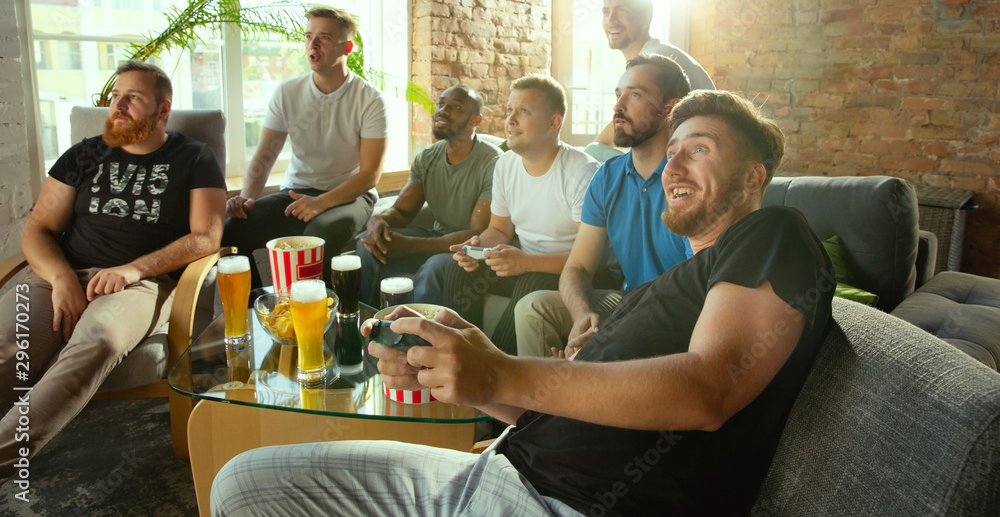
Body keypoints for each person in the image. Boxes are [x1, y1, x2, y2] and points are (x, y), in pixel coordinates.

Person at [211, 90, 835, 516]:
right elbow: (544, 409)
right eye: (673, 150)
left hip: (558, 502)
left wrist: (504, 369)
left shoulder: (773, 233)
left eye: (700, 147)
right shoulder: (666, 290)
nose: (674, 163)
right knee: (242, 481)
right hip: (508, 471)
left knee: (243, 489)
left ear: (756, 176)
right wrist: (472, 369)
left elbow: (708, 391)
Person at [0, 61, 226, 479]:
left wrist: (134, 270)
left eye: (133, 97)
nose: (117, 105)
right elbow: (37, 230)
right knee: (6, 346)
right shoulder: (85, 154)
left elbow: (206, 238)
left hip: (139, 285)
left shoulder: (194, 157)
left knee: (97, 341)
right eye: (115, 96)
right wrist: (62, 279)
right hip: (60, 275)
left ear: (163, 110)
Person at [514, 54, 693, 357]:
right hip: (626, 301)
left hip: (679, 314)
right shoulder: (606, 177)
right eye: (618, 94)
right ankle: (541, 401)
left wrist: (612, 336)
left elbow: (699, 287)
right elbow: (578, 266)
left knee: (597, 355)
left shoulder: (688, 179)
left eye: (634, 94)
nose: (618, 107)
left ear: (669, 109)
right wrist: (582, 314)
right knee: (533, 307)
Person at [416, 75, 599, 355]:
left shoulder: (581, 173)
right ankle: (459, 357)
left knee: (531, 281)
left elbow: (589, 260)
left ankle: (497, 368)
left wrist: (527, 263)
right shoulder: (504, 165)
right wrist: (476, 248)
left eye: (524, 111)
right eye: (509, 111)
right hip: (523, 261)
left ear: (554, 123)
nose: (510, 120)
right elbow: (499, 230)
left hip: (573, 273)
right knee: (457, 270)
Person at [222, 7, 389, 287]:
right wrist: (246, 199)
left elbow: (370, 175)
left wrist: (321, 203)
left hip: (351, 196)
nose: (312, 44)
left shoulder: (370, 100)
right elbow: (265, 156)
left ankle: (318, 317)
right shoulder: (287, 92)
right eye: (309, 36)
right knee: (235, 230)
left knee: (318, 235)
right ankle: (257, 313)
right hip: (297, 192)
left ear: (346, 47)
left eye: (323, 37)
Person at [356, 85, 501, 306]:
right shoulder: (427, 158)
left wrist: (412, 244)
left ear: (476, 120)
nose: (442, 111)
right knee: (367, 244)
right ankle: (370, 325)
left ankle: (418, 338)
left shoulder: (493, 163)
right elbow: (402, 211)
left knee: (433, 268)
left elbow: (477, 232)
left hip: (471, 252)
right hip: (437, 237)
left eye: (456, 107)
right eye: (441, 104)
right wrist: (377, 220)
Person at [591, 0, 715, 154]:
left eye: (622, 10)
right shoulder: (648, 57)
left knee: (593, 153)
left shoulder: (655, 60)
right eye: (606, 12)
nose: (611, 20)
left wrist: (591, 151)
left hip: (697, 152)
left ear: (645, 19)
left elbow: (641, 119)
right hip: (682, 144)